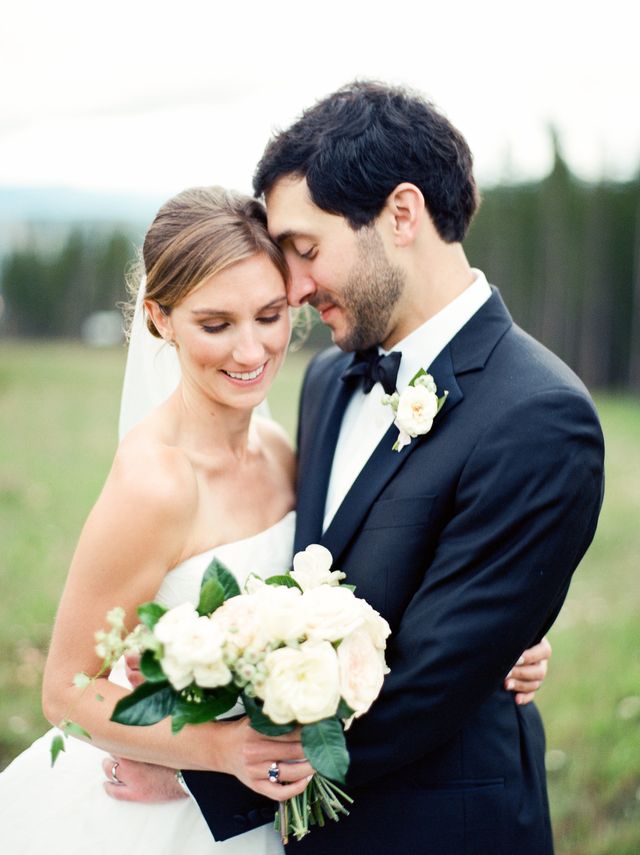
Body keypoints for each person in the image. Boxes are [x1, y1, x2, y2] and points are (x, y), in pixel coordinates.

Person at [172, 83, 603, 853]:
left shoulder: (542, 416)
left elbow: (429, 685)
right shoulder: (328, 379)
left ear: (402, 214)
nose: (293, 288)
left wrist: (197, 772)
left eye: (306, 249)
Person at [0, 186, 315, 854]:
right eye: (216, 324)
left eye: (269, 315)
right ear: (160, 318)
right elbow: (66, 692)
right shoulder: (157, 483)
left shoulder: (279, 448)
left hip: (272, 811)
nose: (251, 350)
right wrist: (220, 748)